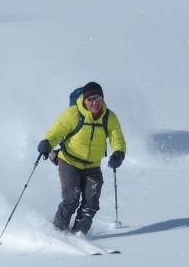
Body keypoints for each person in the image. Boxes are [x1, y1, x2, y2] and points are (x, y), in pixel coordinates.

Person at [37, 81, 127, 235]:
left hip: (92, 165)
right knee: (71, 198)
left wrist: (118, 153)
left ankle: (78, 235)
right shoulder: (73, 114)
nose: (94, 103)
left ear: (103, 99)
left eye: (98, 98)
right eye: (90, 99)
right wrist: (47, 142)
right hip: (69, 161)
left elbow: (117, 138)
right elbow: (56, 131)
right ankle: (57, 231)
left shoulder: (109, 118)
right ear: (84, 100)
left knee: (91, 203)